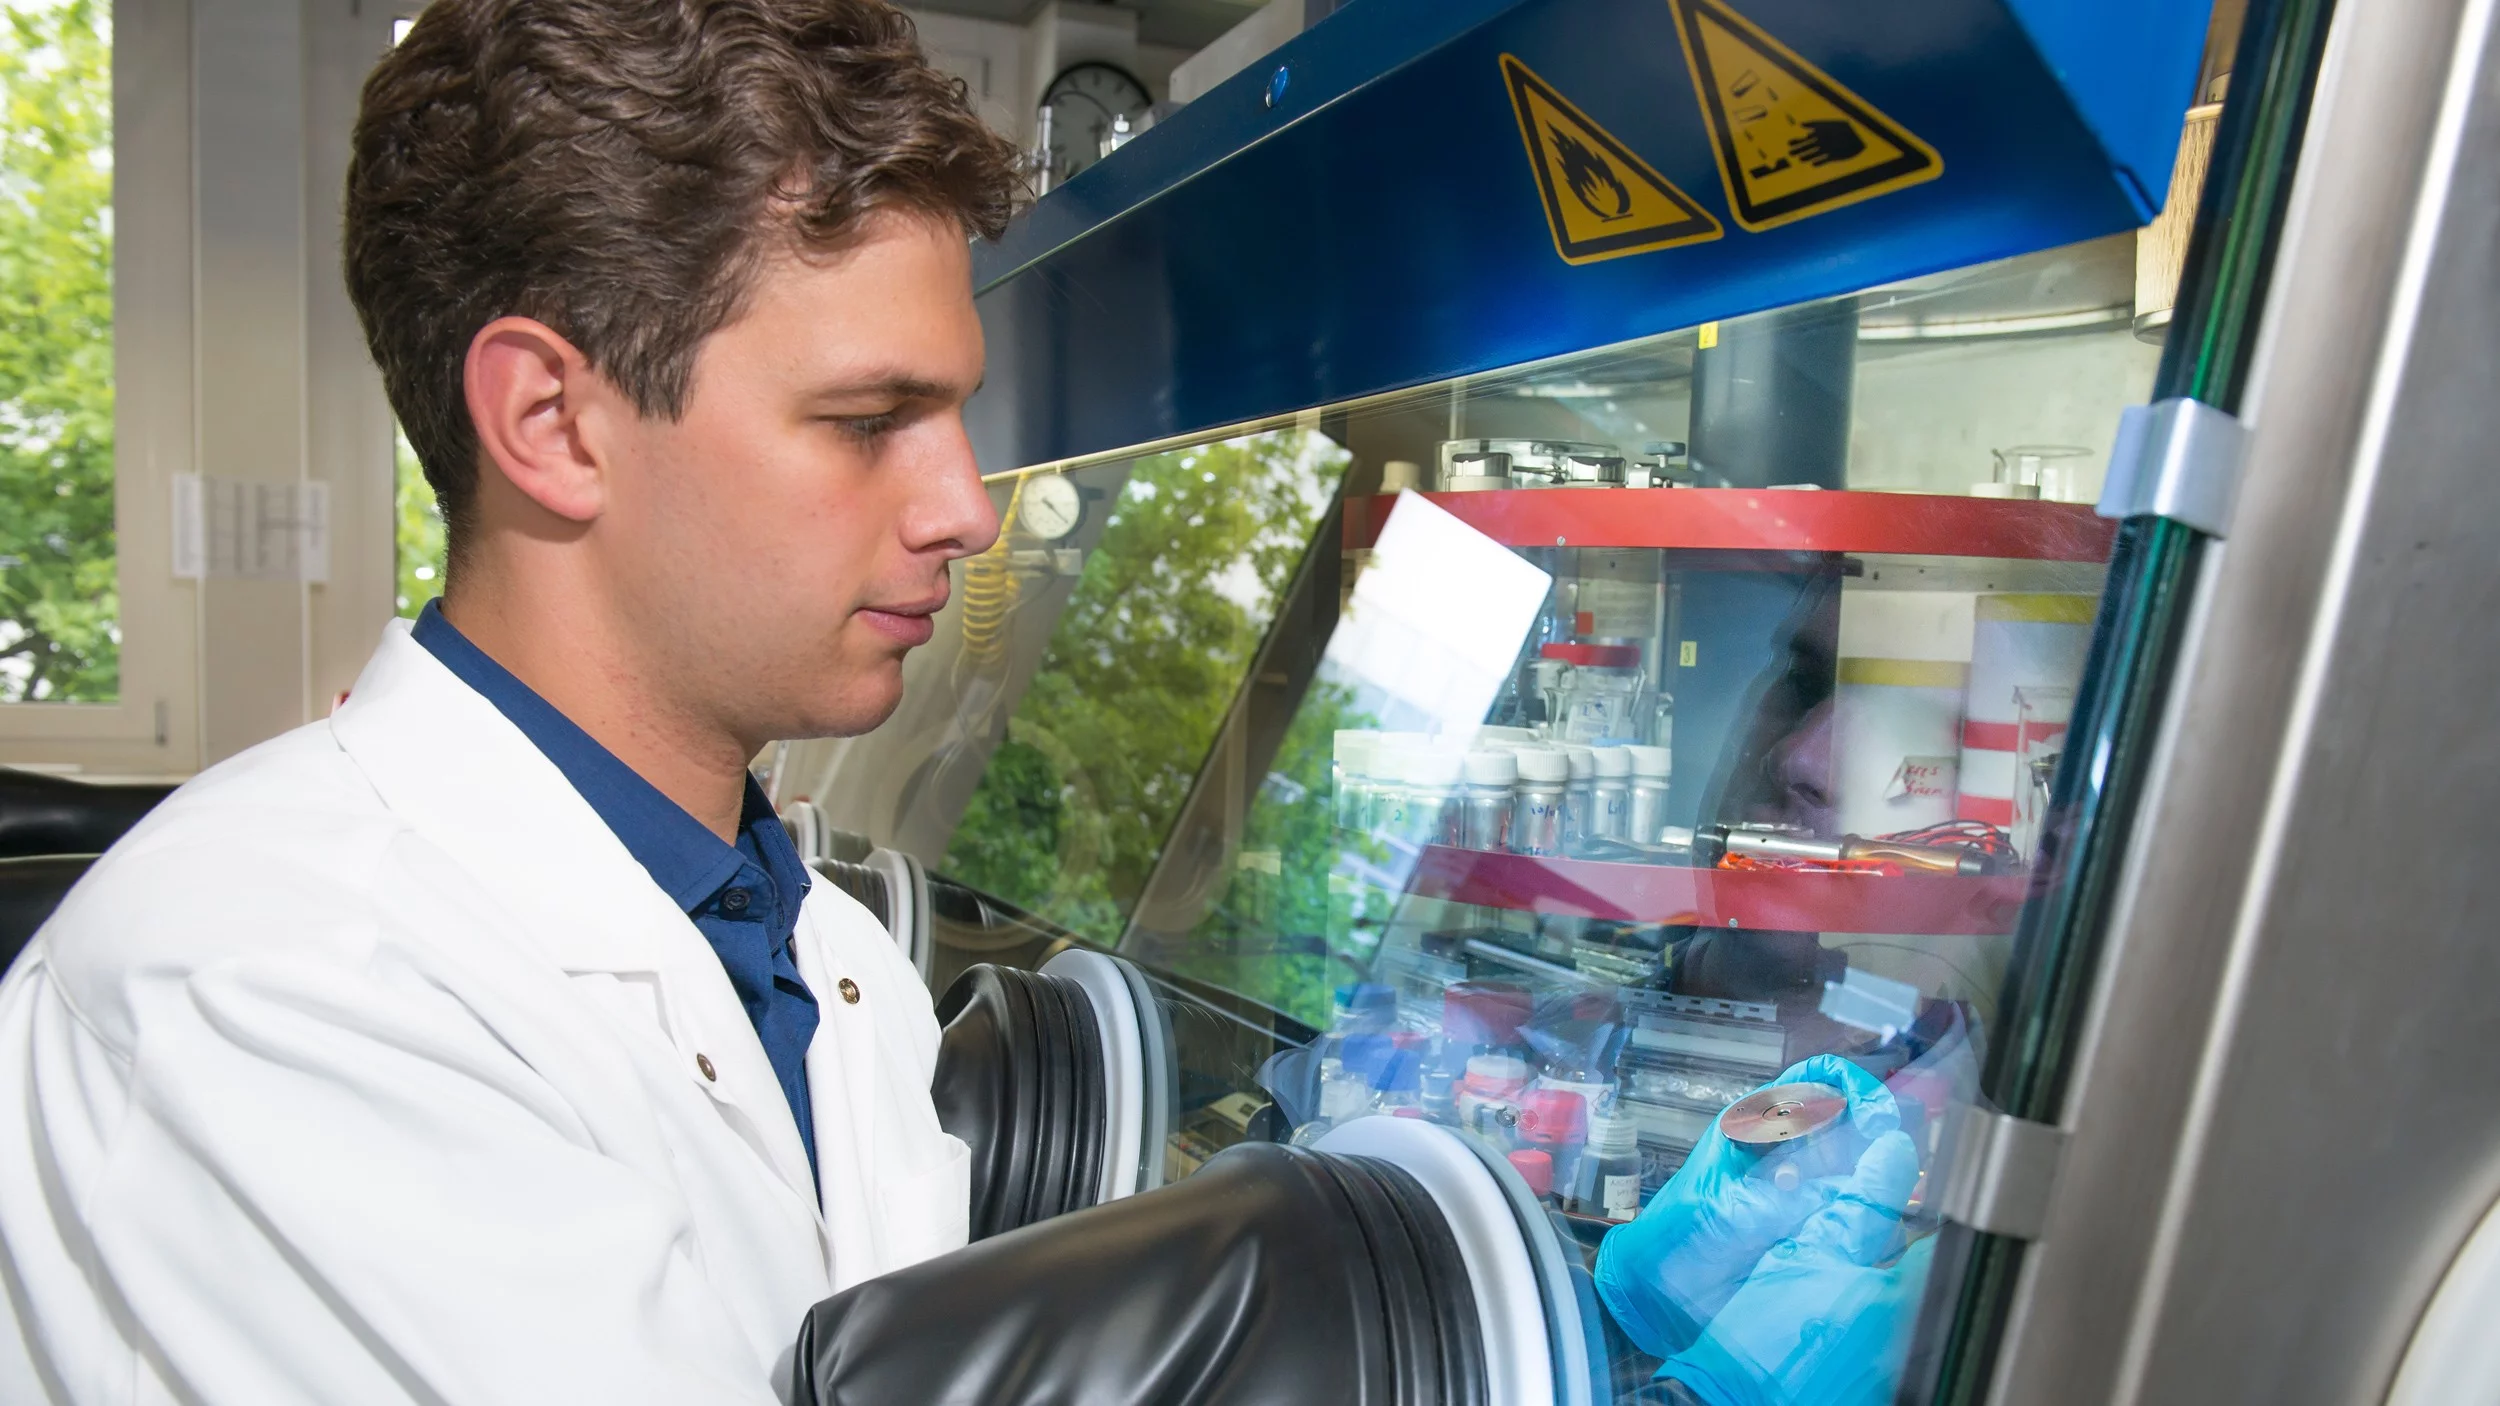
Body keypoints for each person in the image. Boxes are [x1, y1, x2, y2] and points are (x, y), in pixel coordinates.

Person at [0, 1, 1021, 1400]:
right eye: (865, 421)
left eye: (961, 415)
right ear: (549, 421)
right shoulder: (267, 984)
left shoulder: (821, 951)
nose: (967, 508)